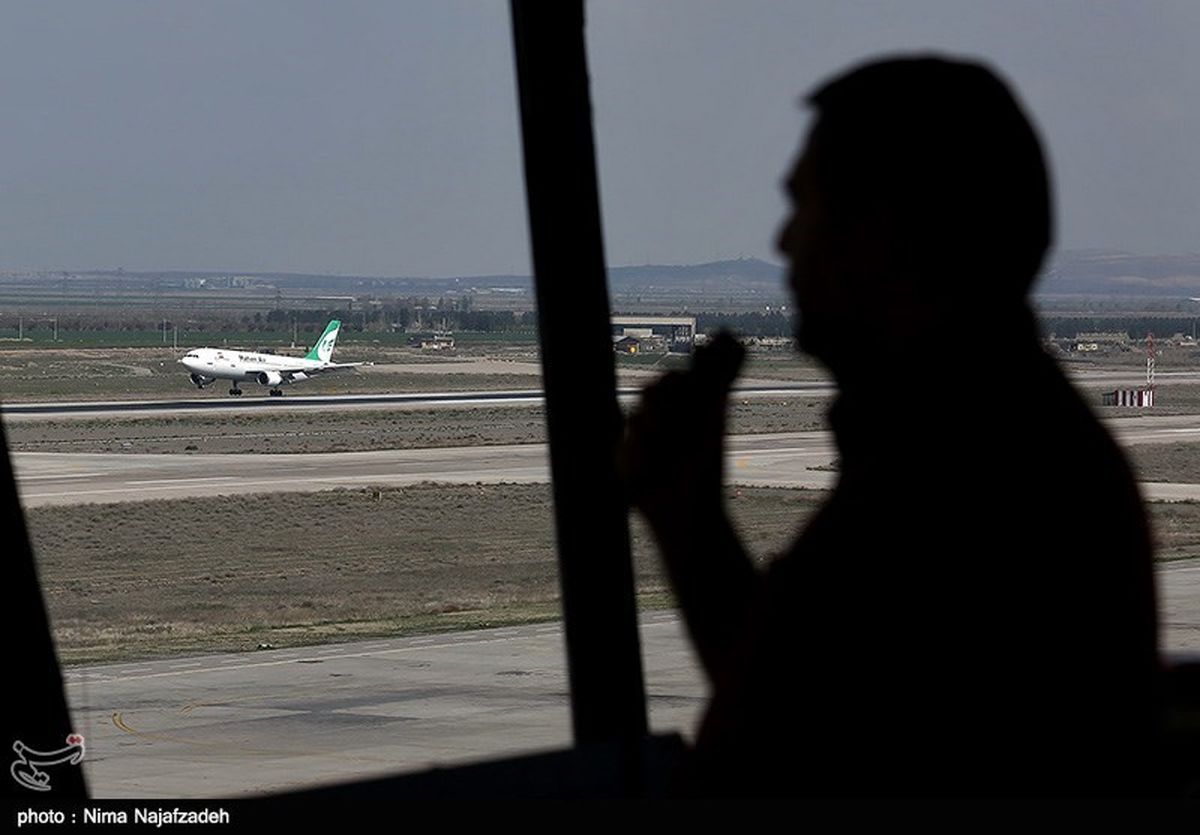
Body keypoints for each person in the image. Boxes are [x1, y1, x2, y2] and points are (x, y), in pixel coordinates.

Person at [624, 55, 1161, 796]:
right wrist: (692, 523)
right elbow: (807, 707)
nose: (782, 243)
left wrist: (689, 523)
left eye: (805, 206)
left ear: (885, 234)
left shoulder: (950, 481)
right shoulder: (1000, 439)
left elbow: (777, 759)